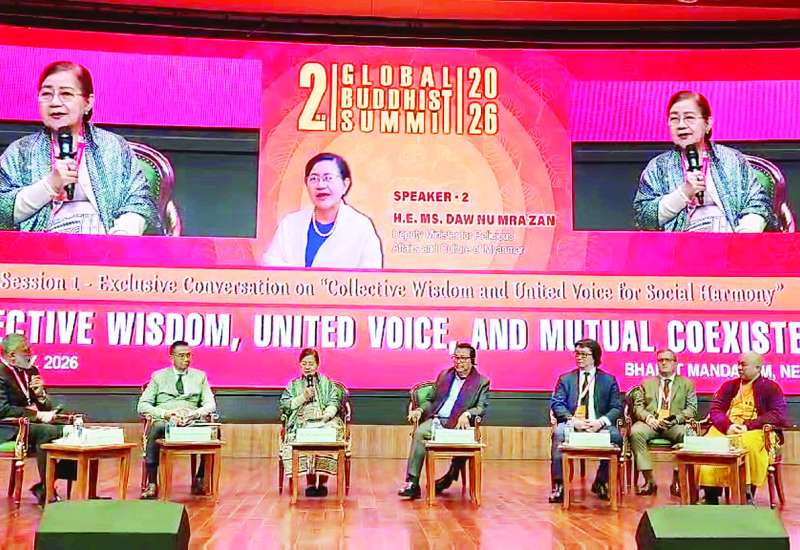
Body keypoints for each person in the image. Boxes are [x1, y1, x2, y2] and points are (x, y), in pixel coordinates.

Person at [0, 61, 158, 234]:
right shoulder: (20, 152)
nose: (54, 102)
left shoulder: (113, 146)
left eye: (66, 94)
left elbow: (139, 201)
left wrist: (121, 238)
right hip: (41, 245)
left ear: (88, 102)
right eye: (46, 94)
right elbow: (2, 210)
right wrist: (49, 186)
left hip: (105, 241)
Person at [633, 90, 775, 232]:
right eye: (674, 119)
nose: (681, 125)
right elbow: (643, 218)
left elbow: (759, 202)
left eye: (689, 118)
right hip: (680, 242)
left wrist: (747, 231)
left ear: (708, 124)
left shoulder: (732, 159)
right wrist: (683, 193)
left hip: (730, 237)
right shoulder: (658, 167)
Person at [398, 343, 490, 500]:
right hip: (437, 421)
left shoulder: (481, 382)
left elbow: (481, 408)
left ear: (472, 360)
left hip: (459, 424)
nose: (458, 362)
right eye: (456, 357)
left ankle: (449, 477)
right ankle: (412, 483)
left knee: (464, 441)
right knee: (419, 433)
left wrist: (468, 413)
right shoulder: (444, 375)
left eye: (463, 358)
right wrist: (419, 410)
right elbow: (430, 400)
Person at [263, 152, 383, 268]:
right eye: (314, 179)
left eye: (328, 178)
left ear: (345, 185)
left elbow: (371, 273)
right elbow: (270, 263)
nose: (321, 185)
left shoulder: (361, 226)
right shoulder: (290, 223)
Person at [698, 352, 786, 504]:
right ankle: (711, 495)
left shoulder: (771, 387)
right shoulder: (729, 386)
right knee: (711, 443)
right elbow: (716, 410)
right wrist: (728, 427)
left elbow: (778, 414)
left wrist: (748, 426)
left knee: (746, 444)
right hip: (729, 427)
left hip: (755, 430)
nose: (739, 368)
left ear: (758, 368)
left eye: (743, 364)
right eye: (738, 364)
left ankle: (746, 494)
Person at [0, 334, 76, 505]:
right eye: (26, 351)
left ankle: (46, 483)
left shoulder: (31, 370)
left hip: (30, 421)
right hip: (8, 427)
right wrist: (37, 415)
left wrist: (41, 395)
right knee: (46, 431)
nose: (30, 354)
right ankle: (47, 492)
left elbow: (45, 406)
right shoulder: (1, 373)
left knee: (74, 424)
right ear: (12, 355)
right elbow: (2, 410)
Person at [137, 340, 216, 499]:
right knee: (156, 427)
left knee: (214, 432)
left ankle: (200, 478)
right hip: (167, 420)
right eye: (182, 356)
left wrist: (194, 414)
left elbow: (211, 404)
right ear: (172, 357)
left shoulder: (200, 377)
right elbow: (142, 406)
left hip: (190, 420)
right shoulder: (158, 377)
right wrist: (165, 414)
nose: (186, 359)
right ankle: (152, 483)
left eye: (189, 355)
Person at [549, 338, 623, 503]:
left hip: (598, 424)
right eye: (577, 354)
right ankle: (560, 485)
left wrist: (600, 422)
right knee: (559, 433)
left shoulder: (608, 380)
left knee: (616, 437)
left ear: (594, 356)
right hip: (573, 423)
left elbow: (616, 407)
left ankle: (601, 481)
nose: (579, 357)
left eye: (584, 354)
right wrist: (572, 420)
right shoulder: (566, 379)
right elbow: (557, 404)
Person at [629, 349, 697, 496]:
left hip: (674, 424)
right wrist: (649, 418)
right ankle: (649, 481)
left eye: (667, 360)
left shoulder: (687, 383)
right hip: (651, 423)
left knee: (687, 435)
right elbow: (638, 408)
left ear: (675, 363)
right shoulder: (647, 383)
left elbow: (692, 409)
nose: (664, 363)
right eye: (660, 360)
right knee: (635, 432)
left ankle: (677, 481)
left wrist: (675, 419)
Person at [279, 348, 346, 497]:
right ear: (300, 365)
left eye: (310, 363)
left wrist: (327, 415)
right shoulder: (294, 385)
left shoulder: (326, 382)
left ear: (317, 365)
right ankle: (309, 483)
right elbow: (285, 405)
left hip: (324, 419)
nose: (307, 367)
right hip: (302, 420)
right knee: (300, 437)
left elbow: (334, 400)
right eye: (304, 364)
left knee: (329, 434)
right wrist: (302, 397)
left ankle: (322, 483)